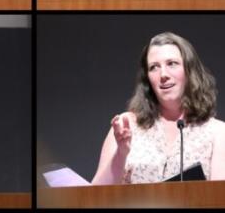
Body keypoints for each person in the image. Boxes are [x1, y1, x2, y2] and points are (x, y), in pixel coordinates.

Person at [92, 32, 225, 184]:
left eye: (172, 64)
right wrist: (121, 154)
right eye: (154, 67)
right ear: (147, 79)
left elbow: (220, 198)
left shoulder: (217, 132)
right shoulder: (126, 126)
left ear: (189, 70)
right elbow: (96, 196)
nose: (163, 74)